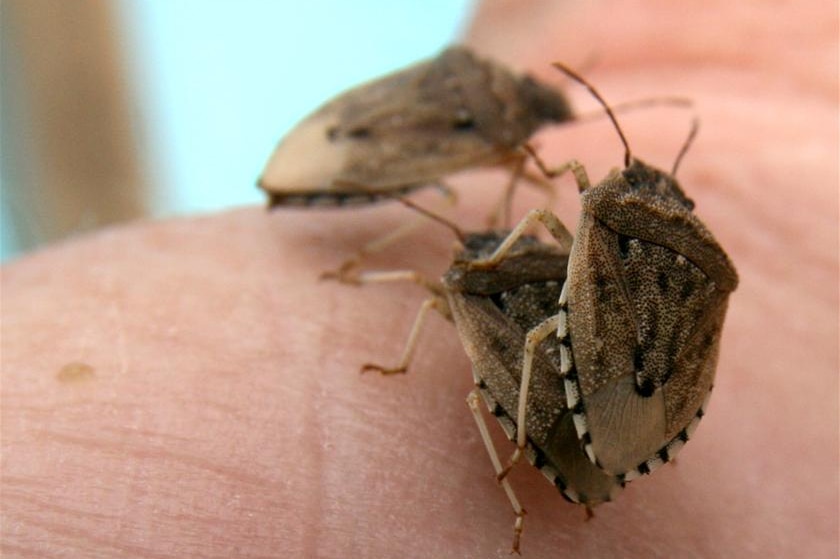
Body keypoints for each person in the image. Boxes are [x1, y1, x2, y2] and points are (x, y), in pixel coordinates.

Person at [2, 1, 837, 556]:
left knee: (538, 338)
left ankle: (577, 461)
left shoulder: (567, 226)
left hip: (573, 337)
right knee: (538, 333)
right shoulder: (550, 238)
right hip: (601, 355)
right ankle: (592, 456)